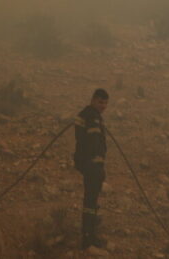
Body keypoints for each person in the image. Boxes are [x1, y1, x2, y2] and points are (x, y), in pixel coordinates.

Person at [74, 88, 109, 250]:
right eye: (101, 102)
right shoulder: (93, 117)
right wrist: (97, 164)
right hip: (93, 166)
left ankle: (88, 235)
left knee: (90, 201)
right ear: (93, 100)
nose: (103, 106)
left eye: (105, 103)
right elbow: (93, 144)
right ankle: (88, 238)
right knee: (90, 202)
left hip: (87, 165)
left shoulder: (85, 114)